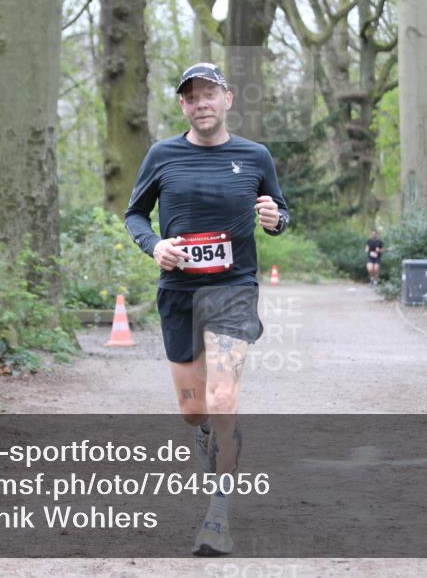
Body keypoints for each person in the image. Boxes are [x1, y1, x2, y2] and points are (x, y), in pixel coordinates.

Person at [124, 62, 290, 557]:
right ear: (183, 106)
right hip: (179, 292)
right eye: (192, 97)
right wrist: (154, 246)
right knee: (192, 409)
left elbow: (281, 211)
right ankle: (205, 436)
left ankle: (217, 517)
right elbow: (134, 214)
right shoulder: (162, 155)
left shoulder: (255, 156)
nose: (201, 104)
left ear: (228, 99)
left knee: (222, 397)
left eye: (209, 95)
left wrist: (274, 218)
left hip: (234, 289)